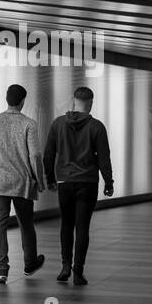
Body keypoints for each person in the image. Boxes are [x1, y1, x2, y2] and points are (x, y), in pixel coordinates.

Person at [43, 85, 114, 285]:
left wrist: (50, 178)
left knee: (66, 224)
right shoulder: (97, 127)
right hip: (88, 182)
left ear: (74, 101)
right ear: (90, 103)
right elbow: (104, 159)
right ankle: (78, 272)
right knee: (82, 227)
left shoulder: (58, 124)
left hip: (65, 181)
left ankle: (65, 265)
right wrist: (109, 182)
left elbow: (49, 154)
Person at [0, 83, 46, 283]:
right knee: (26, 223)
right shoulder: (29, 124)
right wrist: (39, 180)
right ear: (23, 101)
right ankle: (30, 264)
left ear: (6, 99)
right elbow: (35, 154)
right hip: (22, 181)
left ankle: (2, 269)